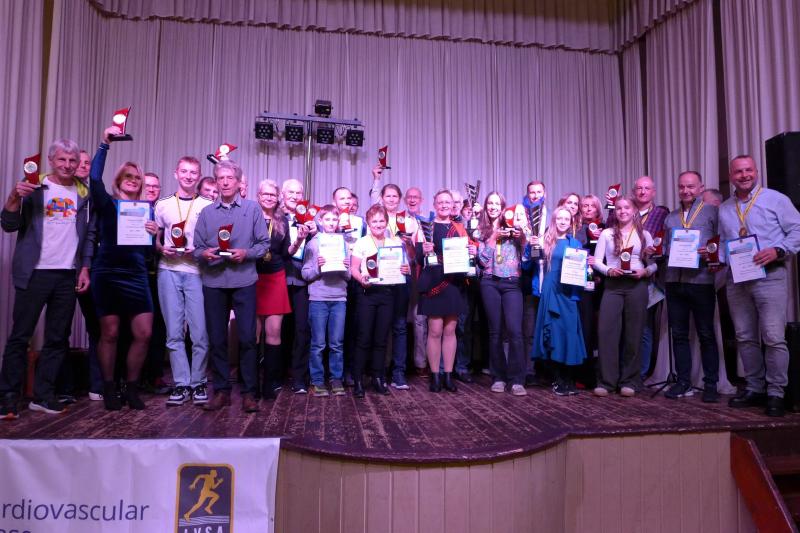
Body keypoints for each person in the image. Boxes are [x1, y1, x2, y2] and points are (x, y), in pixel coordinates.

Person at [0, 137, 94, 419]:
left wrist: (84, 267)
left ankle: (43, 395)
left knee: (57, 338)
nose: (67, 164)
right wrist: (14, 197)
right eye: (62, 159)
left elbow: (89, 235)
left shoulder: (84, 193)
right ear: (51, 160)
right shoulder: (33, 186)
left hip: (67, 274)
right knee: (20, 336)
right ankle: (8, 397)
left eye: (72, 160)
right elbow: (9, 225)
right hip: (35, 272)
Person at [720, 155, 800, 417]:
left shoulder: (776, 200)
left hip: (770, 277)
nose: (744, 175)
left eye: (748, 170)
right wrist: (715, 258)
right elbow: (724, 243)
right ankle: (755, 388)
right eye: (738, 172)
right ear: (731, 176)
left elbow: (798, 230)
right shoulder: (725, 208)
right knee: (744, 337)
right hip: (737, 280)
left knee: (774, 337)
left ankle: (776, 392)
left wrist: (779, 250)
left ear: (756, 172)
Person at [193, 160, 269, 412]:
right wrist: (205, 254)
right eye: (220, 178)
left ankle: (249, 393)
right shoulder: (206, 213)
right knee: (217, 339)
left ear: (238, 182)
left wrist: (246, 253)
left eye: (230, 178)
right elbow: (197, 248)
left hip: (244, 280)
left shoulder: (252, 209)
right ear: (216, 182)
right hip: (214, 282)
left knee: (247, 338)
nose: (225, 182)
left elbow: (263, 244)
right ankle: (221, 391)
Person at [89, 135, 158, 411]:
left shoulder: (145, 210)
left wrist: (153, 235)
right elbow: (94, 179)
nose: (133, 180)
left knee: (144, 333)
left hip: (136, 275)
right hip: (107, 273)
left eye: (137, 177)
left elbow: (147, 252)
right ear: (118, 180)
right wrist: (104, 145)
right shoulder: (107, 204)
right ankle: (109, 388)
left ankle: (131, 388)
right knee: (110, 333)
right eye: (128, 176)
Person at [154, 157, 213, 407]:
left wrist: (198, 251)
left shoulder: (207, 205)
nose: (189, 176)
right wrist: (160, 248)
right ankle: (181, 383)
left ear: (198, 176)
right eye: (184, 172)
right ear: (176, 173)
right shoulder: (162, 204)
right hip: (168, 270)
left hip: (197, 272)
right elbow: (156, 239)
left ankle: (198, 381)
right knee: (174, 332)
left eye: (193, 172)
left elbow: (214, 241)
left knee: (199, 333)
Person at [661, 171, 720, 402]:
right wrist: (657, 251)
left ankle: (711, 384)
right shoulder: (671, 218)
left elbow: (722, 242)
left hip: (701, 281)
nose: (685, 191)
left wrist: (712, 254)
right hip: (674, 282)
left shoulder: (712, 212)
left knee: (706, 334)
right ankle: (683, 382)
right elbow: (665, 247)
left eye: (690, 186)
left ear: (700, 188)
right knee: (679, 335)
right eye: (682, 187)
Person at [593, 196, 657, 397]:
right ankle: (606, 382)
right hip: (613, 285)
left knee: (634, 334)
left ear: (634, 210)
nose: (622, 211)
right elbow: (596, 261)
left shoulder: (644, 234)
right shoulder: (607, 234)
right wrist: (608, 270)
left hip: (636, 285)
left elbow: (654, 263)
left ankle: (630, 381)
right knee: (606, 333)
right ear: (615, 211)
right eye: (619, 208)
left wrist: (645, 272)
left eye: (627, 208)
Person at [416, 190, 476, 392]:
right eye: (440, 202)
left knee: (450, 331)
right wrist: (422, 250)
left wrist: (472, 251)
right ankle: (435, 376)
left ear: (453, 206)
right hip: (434, 281)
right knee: (435, 331)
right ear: (434, 204)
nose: (444, 205)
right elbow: (417, 257)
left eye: (447, 202)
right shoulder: (425, 226)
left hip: (454, 282)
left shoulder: (459, 227)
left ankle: (448, 376)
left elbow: (468, 252)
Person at [609, 176, 668, 379]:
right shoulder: (622, 212)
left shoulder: (662, 214)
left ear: (653, 192)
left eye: (647, 188)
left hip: (648, 278)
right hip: (620, 278)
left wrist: (656, 251)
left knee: (643, 328)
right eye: (639, 188)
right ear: (634, 192)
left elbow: (666, 244)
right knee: (623, 327)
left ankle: (640, 373)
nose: (642, 192)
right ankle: (622, 371)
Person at [350, 204, 410, 397]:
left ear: (386, 222)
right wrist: (362, 279)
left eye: (381, 221)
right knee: (364, 338)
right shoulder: (362, 243)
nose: (378, 224)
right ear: (368, 223)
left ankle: (378, 378)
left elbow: (404, 267)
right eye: (374, 221)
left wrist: (405, 269)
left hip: (387, 294)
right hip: (367, 293)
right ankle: (358, 380)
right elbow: (353, 269)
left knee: (381, 338)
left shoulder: (394, 242)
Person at [530, 207, 588, 395]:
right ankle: (557, 379)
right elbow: (531, 262)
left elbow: (581, 270)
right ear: (554, 220)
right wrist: (531, 247)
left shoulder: (575, 243)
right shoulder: (545, 241)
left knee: (569, 333)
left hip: (568, 292)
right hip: (552, 290)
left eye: (566, 219)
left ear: (571, 222)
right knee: (553, 333)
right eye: (559, 218)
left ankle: (568, 378)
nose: (563, 221)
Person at [475, 192, 527, 395]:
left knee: (515, 331)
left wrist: (521, 236)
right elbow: (481, 261)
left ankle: (517, 379)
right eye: (490, 203)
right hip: (489, 282)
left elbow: (527, 254)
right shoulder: (481, 229)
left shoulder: (515, 226)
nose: (493, 206)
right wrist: (493, 239)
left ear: (504, 207)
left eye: (497, 203)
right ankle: (498, 377)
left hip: (512, 283)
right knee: (495, 332)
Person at [301, 205, 351, 396]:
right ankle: (317, 380)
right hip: (318, 299)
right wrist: (318, 268)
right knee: (318, 344)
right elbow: (305, 273)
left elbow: (348, 276)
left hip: (339, 298)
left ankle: (336, 378)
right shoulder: (313, 244)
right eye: (327, 219)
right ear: (320, 221)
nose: (331, 223)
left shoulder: (343, 242)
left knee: (337, 343)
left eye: (334, 220)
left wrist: (346, 267)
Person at [255, 179, 293, 398]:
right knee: (253, 334)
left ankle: (270, 383)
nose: (269, 197)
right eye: (265, 194)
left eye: (272, 194)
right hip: (252, 277)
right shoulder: (250, 216)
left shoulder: (283, 220)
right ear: (258, 196)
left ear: (277, 197)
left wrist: (298, 242)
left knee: (274, 332)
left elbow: (286, 253)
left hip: (276, 277)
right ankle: (251, 384)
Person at [280, 178, 316, 393]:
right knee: (280, 329)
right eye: (290, 192)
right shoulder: (275, 217)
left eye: (298, 193)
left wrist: (316, 232)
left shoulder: (310, 219)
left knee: (302, 329)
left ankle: (300, 377)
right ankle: (277, 375)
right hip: (280, 280)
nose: (294, 196)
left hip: (303, 282)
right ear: (283, 195)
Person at [332, 186, 365, 386]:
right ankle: (332, 371)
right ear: (334, 202)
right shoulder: (328, 219)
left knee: (353, 326)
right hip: (333, 278)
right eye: (341, 198)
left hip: (354, 278)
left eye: (348, 198)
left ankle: (350, 370)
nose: (345, 201)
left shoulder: (360, 222)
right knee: (335, 329)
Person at [404, 187, 429, 377]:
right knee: (400, 319)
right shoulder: (399, 220)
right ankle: (398, 362)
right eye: (409, 197)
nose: (412, 200)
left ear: (421, 200)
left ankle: (420, 362)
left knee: (420, 320)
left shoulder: (427, 221)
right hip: (401, 274)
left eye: (416, 197)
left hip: (421, 274)